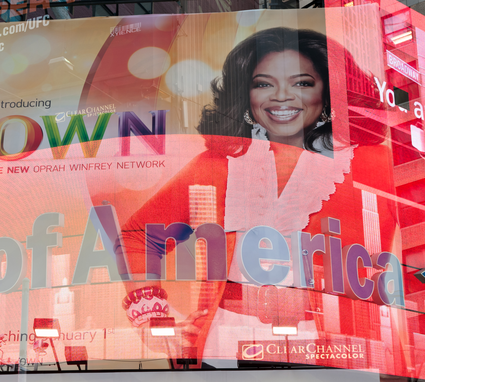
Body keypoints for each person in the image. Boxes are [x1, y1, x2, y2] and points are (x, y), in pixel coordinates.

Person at [116, 27, 398, 367]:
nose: (282, 97)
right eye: (263, 83)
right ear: (245, 95)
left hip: (333, 352)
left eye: (302, 83)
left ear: (329, 90)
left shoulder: (376, 164)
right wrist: (154, 320)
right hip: (225, 346)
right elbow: (139, 237)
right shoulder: (218, 164)